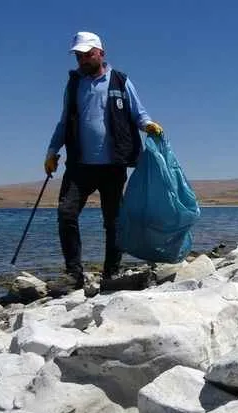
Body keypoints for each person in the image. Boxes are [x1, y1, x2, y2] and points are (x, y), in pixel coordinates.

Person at [44, 31, 163, 289]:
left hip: (113, 165)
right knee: (66, 213)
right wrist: (52, 151)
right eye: (79, 56)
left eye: (88, 54)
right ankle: (73, 274)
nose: (83, 60)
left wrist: (149, 125)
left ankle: (111, 273)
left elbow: (138, 113)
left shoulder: (120, 81)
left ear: (101, 52)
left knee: (114, 221)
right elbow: (64, 121)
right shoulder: (74, 84)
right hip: (79, 165)